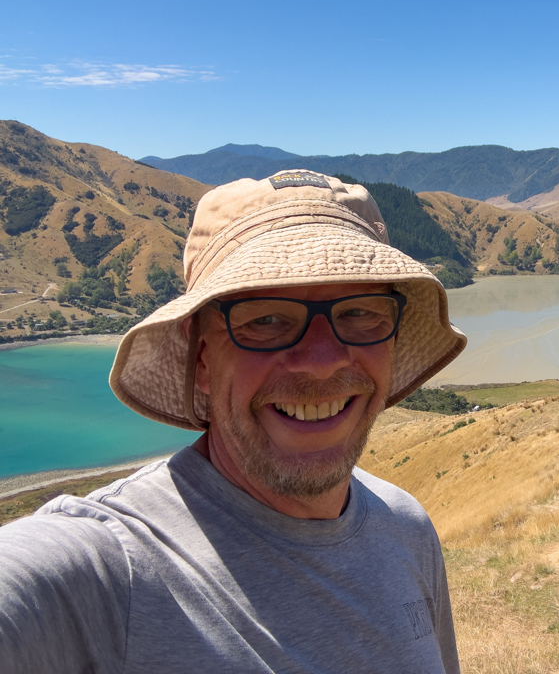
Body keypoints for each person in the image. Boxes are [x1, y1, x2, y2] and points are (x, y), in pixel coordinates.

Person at [0, 170, 467, 673]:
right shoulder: (111, 567)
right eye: (265, 319)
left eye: (359, 312)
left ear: (392, 343)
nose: (321, 359)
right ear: (201, 359)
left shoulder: (407, 529)